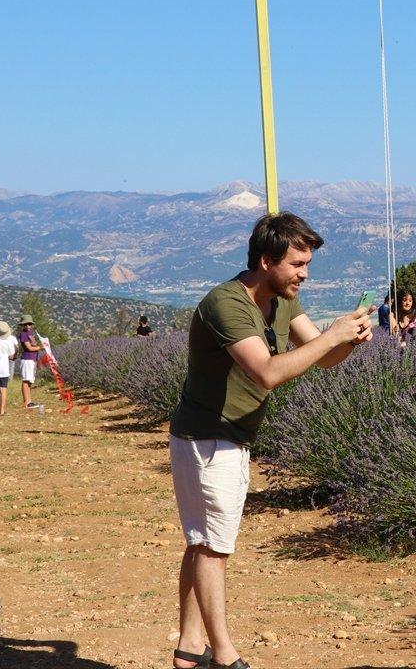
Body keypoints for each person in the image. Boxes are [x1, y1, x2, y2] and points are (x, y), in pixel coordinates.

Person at [167, 212, 375, 669]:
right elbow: (266, 372)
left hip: (229, 438)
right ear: (267, 260)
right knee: (214, 547)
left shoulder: (282, 300)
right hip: (208, 438)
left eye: (307, 263)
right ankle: (223, 655)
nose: (304, 273)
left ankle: (188, 647)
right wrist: (332, 337)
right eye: (297, 263)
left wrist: (350, 339)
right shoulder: (227, 304)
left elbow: (321, 358)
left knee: (203, 541)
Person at [17, 315, 43, 409]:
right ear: (23, 325)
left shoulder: (31, 333)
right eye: (26, 324)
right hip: (27, 358)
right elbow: (29, 347)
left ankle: (29, 401)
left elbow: (34, 346)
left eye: (30, 324)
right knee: (26, 380)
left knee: (30, 381)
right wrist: (40, 347)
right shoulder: (23, 334)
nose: (28, 325)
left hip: (33, 359)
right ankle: (26, 402)